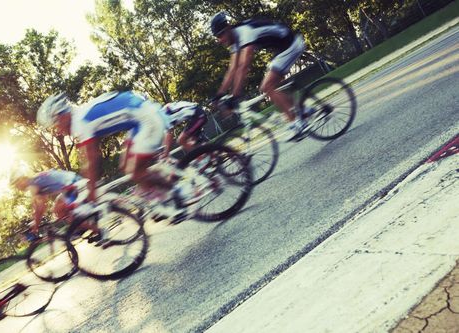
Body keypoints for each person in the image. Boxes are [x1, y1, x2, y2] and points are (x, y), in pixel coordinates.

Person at [36, 91, 188, 222]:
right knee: (125, 166)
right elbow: (86, 159)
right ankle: (166, 192)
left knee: (135, 171)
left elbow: (93, 158)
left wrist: (92, 189)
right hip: (138, 120)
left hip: (146, 119)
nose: (57, 131)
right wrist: (88, 183)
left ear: (61, 116)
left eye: (55, 125)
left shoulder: (80, 123)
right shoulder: (80, 116)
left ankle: (176, 192)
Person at [210, 12, 308, 141]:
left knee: (266, 86)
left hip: (291, 45)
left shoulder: (245, 32)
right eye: (217, 37)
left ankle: (297, 122)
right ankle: (304, 110)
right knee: (267, 88)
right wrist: (219, 95)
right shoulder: (235, 41)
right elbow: (232, 69)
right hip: (282, 49)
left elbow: (243, 66)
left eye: (221, 34)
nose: (220, 40)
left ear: (228, 28)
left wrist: (235, 96)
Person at [10, 169, 95, 235]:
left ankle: (98, 230)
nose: (17, 188)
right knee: (57, 210)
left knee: (60, 211)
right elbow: (39, 205)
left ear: (22, 179)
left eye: (16, 184)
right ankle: (83, 227)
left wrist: (36, 225)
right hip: (72, 183)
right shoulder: (35, 180)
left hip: (73, 185)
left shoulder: (33, 185)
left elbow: (41, 207)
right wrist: (35, 220)